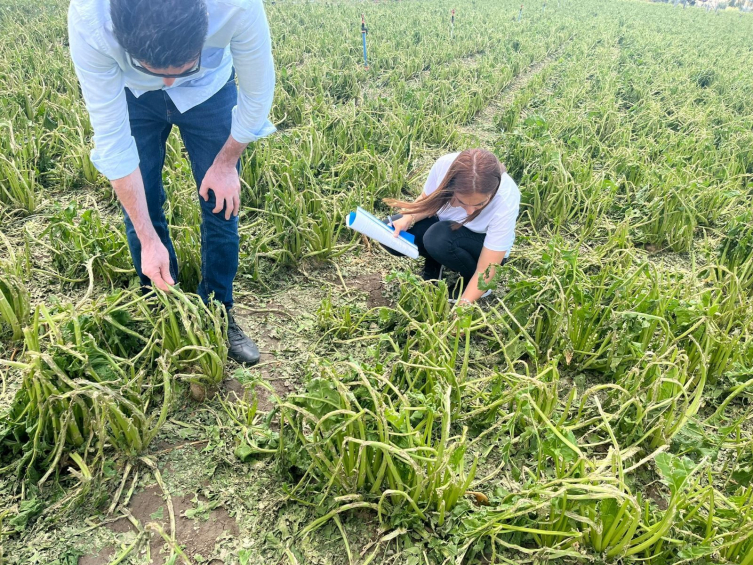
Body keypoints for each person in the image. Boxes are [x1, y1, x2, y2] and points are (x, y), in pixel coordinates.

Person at [67, 0, 276, 365]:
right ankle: (163, 306)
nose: (167, 83)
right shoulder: (90, 18)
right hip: (134, 98)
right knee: (141, 203)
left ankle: (218, 310)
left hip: (209, 91)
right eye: (152, 69)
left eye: (181, 68)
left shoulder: (236, 7)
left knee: (221, 205)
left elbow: (257, 96)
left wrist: (226, 163)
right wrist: (148, 239)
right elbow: (114, 145)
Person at [384, 149, 520, 306]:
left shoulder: (506, 199)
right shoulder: (444, 165)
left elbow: (487, 269)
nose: (470, 211)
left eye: (480, 204)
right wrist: (408, 218)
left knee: (438, 237)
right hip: (446, 227)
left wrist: (463, 307)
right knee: (391, 231)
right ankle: (436, 261)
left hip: (481, 244)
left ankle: (475, 283)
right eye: (462, 201)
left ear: (493, 193)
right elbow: (428, 200)